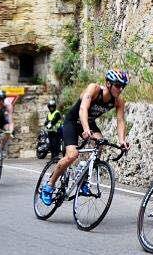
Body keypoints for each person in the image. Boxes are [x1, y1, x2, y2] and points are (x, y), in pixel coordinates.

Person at [39, 69, 130, 206]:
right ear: (108, 83)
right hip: (72, 122)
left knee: (100, 143)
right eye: (118, 85)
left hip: (89, 123)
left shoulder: (118, 101)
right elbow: (83, 109)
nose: (120, 89)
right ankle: (49, 186)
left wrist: (122, 140)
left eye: (123, 86)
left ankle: (83, 178)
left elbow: (120, 121)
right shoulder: (94, 89)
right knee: (72, 155)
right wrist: (86, 129)